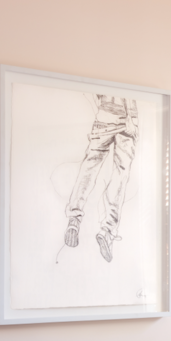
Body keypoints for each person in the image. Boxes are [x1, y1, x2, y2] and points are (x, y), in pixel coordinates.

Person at [63, 95, 139, 262]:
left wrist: (103, 105)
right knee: (120, 173)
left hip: (104, 114)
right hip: (127, 118)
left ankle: (74, 219)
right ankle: (107, 230)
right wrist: (130, 117)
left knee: (90, 164)